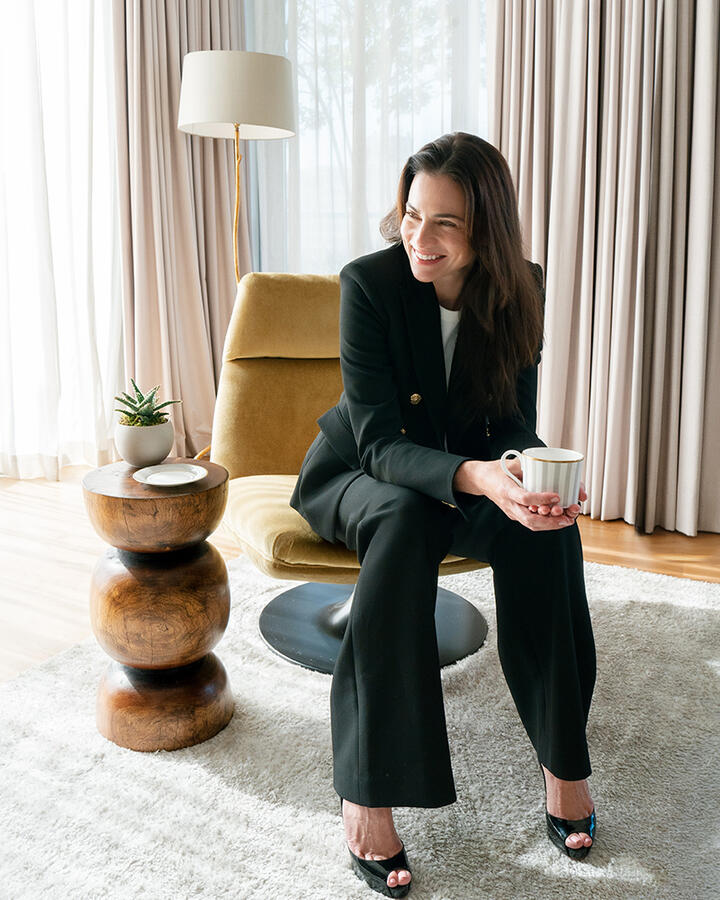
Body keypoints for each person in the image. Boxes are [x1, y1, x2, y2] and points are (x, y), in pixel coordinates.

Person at [290, 132, 596, 897]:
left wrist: (526, 473)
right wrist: (478, 477)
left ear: (485, 229)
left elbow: (513, 421)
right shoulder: (369, 283)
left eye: (445, 224)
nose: (419, 239)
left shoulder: (522, 285)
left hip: (466, 477)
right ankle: (367, 790)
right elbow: (377, 441)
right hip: (360, 474)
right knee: (404, 519)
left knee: (549, 533)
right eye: (411, 216)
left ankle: (565, 765)